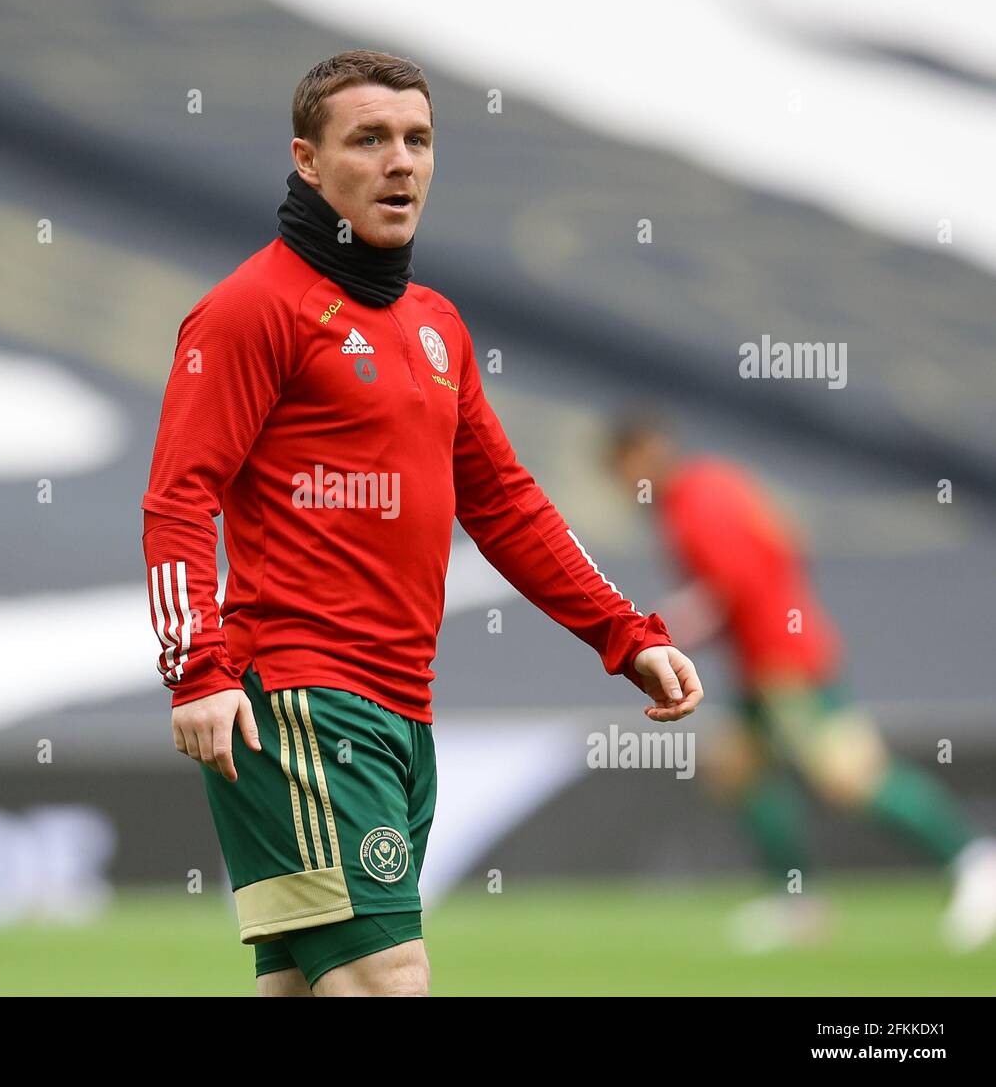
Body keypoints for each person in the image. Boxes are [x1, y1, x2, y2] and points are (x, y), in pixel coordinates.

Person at [141, 50, 703, 997]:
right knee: (388, 979)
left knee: (309, 984)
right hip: (302, 703)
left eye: (418, 140)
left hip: (399, 705)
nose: (401, 161)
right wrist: (194, 669)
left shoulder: (436, 324)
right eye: (369, 139)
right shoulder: (250, 311)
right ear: (307, 162)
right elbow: (178, 497)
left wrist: (623, 631)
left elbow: (505, 502)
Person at [606, 411, 996, 951]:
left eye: (621, 469)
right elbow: (791, 543)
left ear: (641, 455)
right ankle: (799, 901)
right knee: (735, 770)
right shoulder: (717, 484)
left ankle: (973, 862)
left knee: (849, 776)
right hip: (765, 661)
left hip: (784, 663)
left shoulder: (696, 505)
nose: (623, 485)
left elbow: (730, 587)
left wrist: (663, 629)